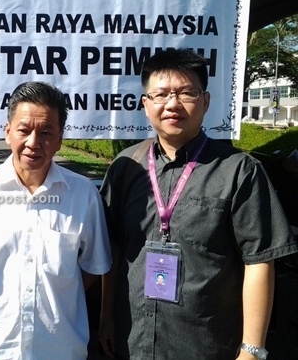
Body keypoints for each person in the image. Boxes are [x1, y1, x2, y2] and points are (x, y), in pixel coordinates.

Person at [99, 49, 298, 360]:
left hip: (206, 345)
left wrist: (252, 349)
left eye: (187, 93)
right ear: (145, 104)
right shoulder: (126, 167)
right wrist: (106, 316)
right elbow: (111, 249)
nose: (173, 104)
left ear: (205, 101)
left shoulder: (238, 170)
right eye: (161, 94)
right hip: (132, 340)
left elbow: (260, 260)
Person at [0, 81, 111, 360]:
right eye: (24, 130)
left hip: (60, 350)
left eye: (45, 132)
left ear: (60, 139)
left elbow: (92, 269)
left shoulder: (83, 196)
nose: (33, 143)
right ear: (8, 132)